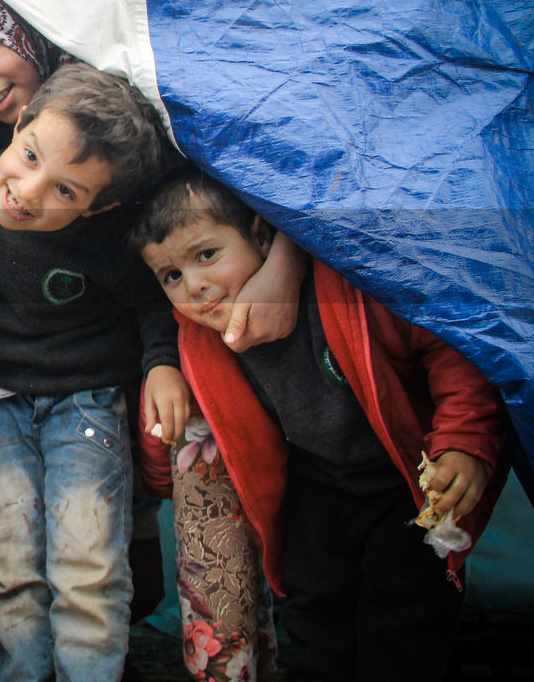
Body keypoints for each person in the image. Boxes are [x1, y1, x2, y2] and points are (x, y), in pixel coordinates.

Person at [130, 167, 508, 682]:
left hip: (403, 482)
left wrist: (463, 444)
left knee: (405, 619)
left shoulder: (348, 289)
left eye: (206, 255)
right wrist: (155, 469)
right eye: (171, 275)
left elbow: (450, 351)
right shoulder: (199, 340)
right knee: (313, 616)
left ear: (263, 235)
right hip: (314, 484)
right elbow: (178, 424)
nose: (194, 285)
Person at [0, 62, 187, 680]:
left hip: (87, 403)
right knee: (9, 566)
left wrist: (162, 366)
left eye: (65, 191)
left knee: (86, 570)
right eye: (30, 156)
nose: (28, 191)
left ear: (97, 205)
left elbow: (152, 300)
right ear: (21, 123)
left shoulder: (109, 236)